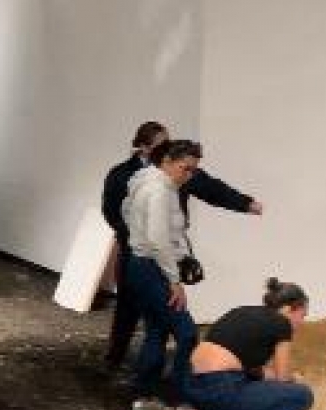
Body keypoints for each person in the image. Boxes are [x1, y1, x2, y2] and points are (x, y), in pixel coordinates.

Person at [101, 122, 262, 369]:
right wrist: (136, 237)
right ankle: (117, 359)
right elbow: (117, 212)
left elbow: (211, 188)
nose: (168, 146)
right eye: (162, 144)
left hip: (158, 257)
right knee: (139, 313)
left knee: (158, 325)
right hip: (143, 256)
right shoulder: (129, 176)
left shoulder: (177, 173)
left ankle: (146, 380)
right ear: (144, 148)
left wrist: (244, 203)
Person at [180, 279, 315, 410]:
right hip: (220, 389)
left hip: (191, 386)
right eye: (302, 315)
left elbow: (249, 370)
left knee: (250, 381)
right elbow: (282, 379)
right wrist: (293, 380)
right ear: (290, 308)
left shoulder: (242, 312)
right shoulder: (282, 324)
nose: (302, 322)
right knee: (301, 396)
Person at [121, 139, 203, 410]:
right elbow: (158, 239)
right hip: (151, 268)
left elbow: (126, 214)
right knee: (187, 332)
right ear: (167, 161)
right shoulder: (159, 190)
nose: (188, 175)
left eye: (193, 170)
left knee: (156, 330)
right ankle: (183, 401)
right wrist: (174, 279)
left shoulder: (144, 183)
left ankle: (144, 399)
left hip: (140, 265)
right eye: (185, 168)